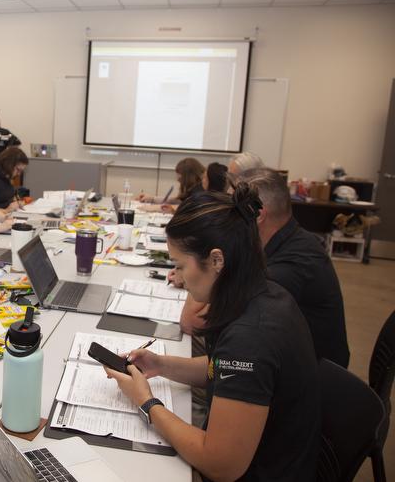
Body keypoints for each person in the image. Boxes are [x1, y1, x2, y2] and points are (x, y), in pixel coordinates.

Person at [105, 185, 320, 482]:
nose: (177, 277)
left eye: (181, 266)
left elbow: (221, 465)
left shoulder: (251, 337)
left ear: (217, 260)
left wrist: (146, 403)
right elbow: (223, 370)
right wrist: (162, 365)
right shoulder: (264, 293)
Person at [181, 167, 350, 368]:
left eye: (231, 210)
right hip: (279, 364)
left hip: (304, 383)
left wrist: (201, 254)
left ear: (258, 214)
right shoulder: (282, 243)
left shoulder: (288, 268)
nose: (224, 218)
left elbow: (194, 322)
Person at [138, 157, 205, 212]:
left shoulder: (199, 191)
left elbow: (186, 208)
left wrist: (156, 207)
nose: (178, 180)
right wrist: (152, 198)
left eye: (180, 179)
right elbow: (178, 200)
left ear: (188, 177)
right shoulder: (194, 187)